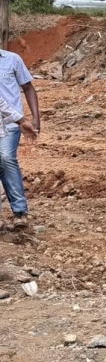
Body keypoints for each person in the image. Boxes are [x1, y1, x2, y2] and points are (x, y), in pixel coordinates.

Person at [0, 49, 39, 228]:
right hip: (15, 118)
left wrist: (32, 118)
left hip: (10, 123)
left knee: (6, 158)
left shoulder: (12, 59)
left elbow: (28, 87)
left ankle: (19, 211)